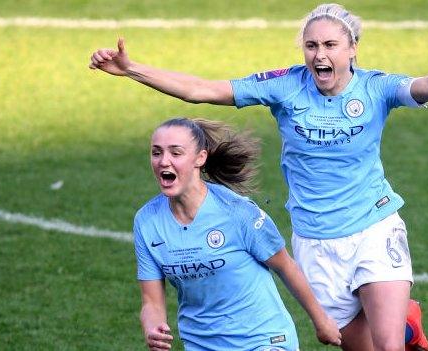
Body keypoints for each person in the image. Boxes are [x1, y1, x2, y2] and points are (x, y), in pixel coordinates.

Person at [90, 4, 428, 350]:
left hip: (373, 225)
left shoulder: (376, 88)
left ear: (352, 50)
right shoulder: (284, 86)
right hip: (315, 240)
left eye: (330, 45)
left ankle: (398, 334)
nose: (319, 55)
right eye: (311, 45)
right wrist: (132, 70)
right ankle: (408, 326)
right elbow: (202, 89)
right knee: (352, 344)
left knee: (387, 349)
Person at [133, 117, 341, 350]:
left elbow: (285, 266)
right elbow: (151, 302)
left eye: (176, 153)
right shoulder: (147, 222)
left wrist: (321, 321)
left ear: (200, 158)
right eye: (156, 153)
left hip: (264, 339)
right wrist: (153, 327)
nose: (164, 161)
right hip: (201, 343)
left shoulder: (237, 212)